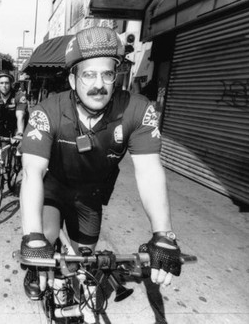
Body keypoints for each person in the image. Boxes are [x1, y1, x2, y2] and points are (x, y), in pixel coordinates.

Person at [19, 27, 182, 309]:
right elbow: (32, 173)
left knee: (82, 262)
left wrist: (163, 234)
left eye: (107, 74)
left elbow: (149, 171)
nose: (99, 84)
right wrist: (32, 237)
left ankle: (67, 284)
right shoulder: (47, 112)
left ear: (116, 76)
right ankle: (38, 269)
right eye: (89, 74)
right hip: (53, 192)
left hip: (90, 198)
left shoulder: (137, 109)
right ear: (72, 79)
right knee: (44, 238)